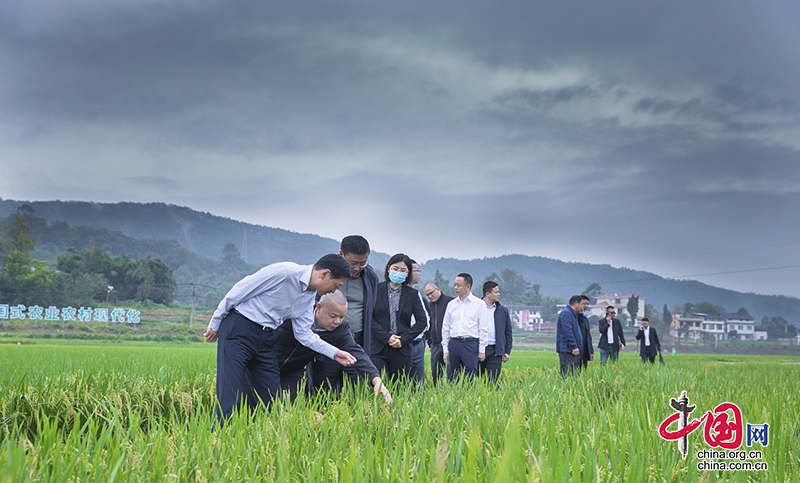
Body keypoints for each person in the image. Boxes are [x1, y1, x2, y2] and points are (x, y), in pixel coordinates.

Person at [203, 254, 357, 423]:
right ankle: (218, 440)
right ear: (325, 274)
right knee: (229, 391)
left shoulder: (309, 297)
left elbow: (304, 334)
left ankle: (269, 439)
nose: (334, 291)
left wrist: (335, 353)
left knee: (272, 398)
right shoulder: (284, 272)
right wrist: (215, 322)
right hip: (240, 328)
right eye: (336, 285)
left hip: (267, 337)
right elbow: (239, 290)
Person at [275, 290, 392, 404]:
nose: (337, 321)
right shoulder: (295, 315)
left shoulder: (340, 330)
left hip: (293, 371)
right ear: (319, 308)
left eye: (342, 317)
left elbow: (356, 353)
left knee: (286, 404)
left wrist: (376, 380)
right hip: (268, 363)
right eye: (333, 316)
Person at [309, 235, 379, 393]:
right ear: (341, 254)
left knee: (357, 385)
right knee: (326, 386)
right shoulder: (326, 275)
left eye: (363, 263)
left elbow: (371, 309)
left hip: (357, 338)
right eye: (353, 263)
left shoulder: (370, 277)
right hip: (328, 338)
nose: (357, 268)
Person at [369, 254, 427, 381]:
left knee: (400, 387)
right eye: (395, 268)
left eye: (403, 270)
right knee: (377, 384)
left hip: (401, 348)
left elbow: (422, 321)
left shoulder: (412, 294)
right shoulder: (375, 290)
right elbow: (369, 318)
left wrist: (403, 339)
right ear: (389, 268)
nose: (398, 272)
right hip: (378, 347)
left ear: (408, 274)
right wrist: (387, 337)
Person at [442, 273, 490, 381]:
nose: (455, 288)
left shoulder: (479, 304)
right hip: (454, 343)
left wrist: (482, 349)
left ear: (468, 287)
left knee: (470, 375)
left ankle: (470, 397)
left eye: (458, 285)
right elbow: (445, 328)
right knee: (453, 376)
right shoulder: (451, 304)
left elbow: (483, 328)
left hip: (470, 343)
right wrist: (446, 349)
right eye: (454, 285)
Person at [479, 281, 513, 383]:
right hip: (477, 349)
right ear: (487, 294)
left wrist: (507, 350)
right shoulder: (475, 308)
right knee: (474, 381)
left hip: (495, 351)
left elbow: (508, 332)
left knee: (492, 382)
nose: (498, 294)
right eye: (496, 292)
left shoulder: (502, 310)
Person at [424, 282, 454, 385]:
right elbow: (427, 325)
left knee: (452, 373)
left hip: (450, 344)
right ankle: (436, 392)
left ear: (438, 289)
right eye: (427, 295)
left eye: (431, 293)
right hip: (435, 345)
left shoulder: (450, 302)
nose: (430, 296)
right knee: (435, 374)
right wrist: (430, 342)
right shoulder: (428, 306)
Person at [407, 260, 430, 383]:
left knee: (418, 384)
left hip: (418, 343)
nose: (419, 273)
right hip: (404, 343)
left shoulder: (417, 294)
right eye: (417, 270)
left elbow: (426, 320)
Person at [556, 295, 586, 377]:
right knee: (568, 375)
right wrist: (574, 346)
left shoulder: (573, 314)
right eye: (581, 304)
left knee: (574, 375)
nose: (582, 307)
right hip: (568, 350)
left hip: (573, 350)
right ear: (576, 303)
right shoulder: (566, 313)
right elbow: (568, 331)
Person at [577, 295, 594, 369]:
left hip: (584, 351)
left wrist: (591, 351)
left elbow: (588, 337)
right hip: (576, 350)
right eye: (584, 304)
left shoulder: (585, 319)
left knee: (583, 373)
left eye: (587, 304)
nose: (586, 306)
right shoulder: (573, 318)